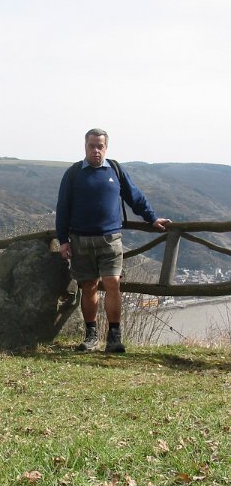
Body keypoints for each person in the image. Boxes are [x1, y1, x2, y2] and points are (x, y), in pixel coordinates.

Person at [56, 128, 171, 353]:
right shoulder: (73, 174)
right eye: (92, 145)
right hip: (81, 241)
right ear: (85, 147)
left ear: (106, 147)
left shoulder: (116, 170)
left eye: (100, 146)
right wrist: (63, 240)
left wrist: (152, 218)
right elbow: (63, 208)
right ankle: (91, 336)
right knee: (88, 287)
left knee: (112, 284)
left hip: (110, 239)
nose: (96, 150)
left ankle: (114, 337)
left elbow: (134, 197)